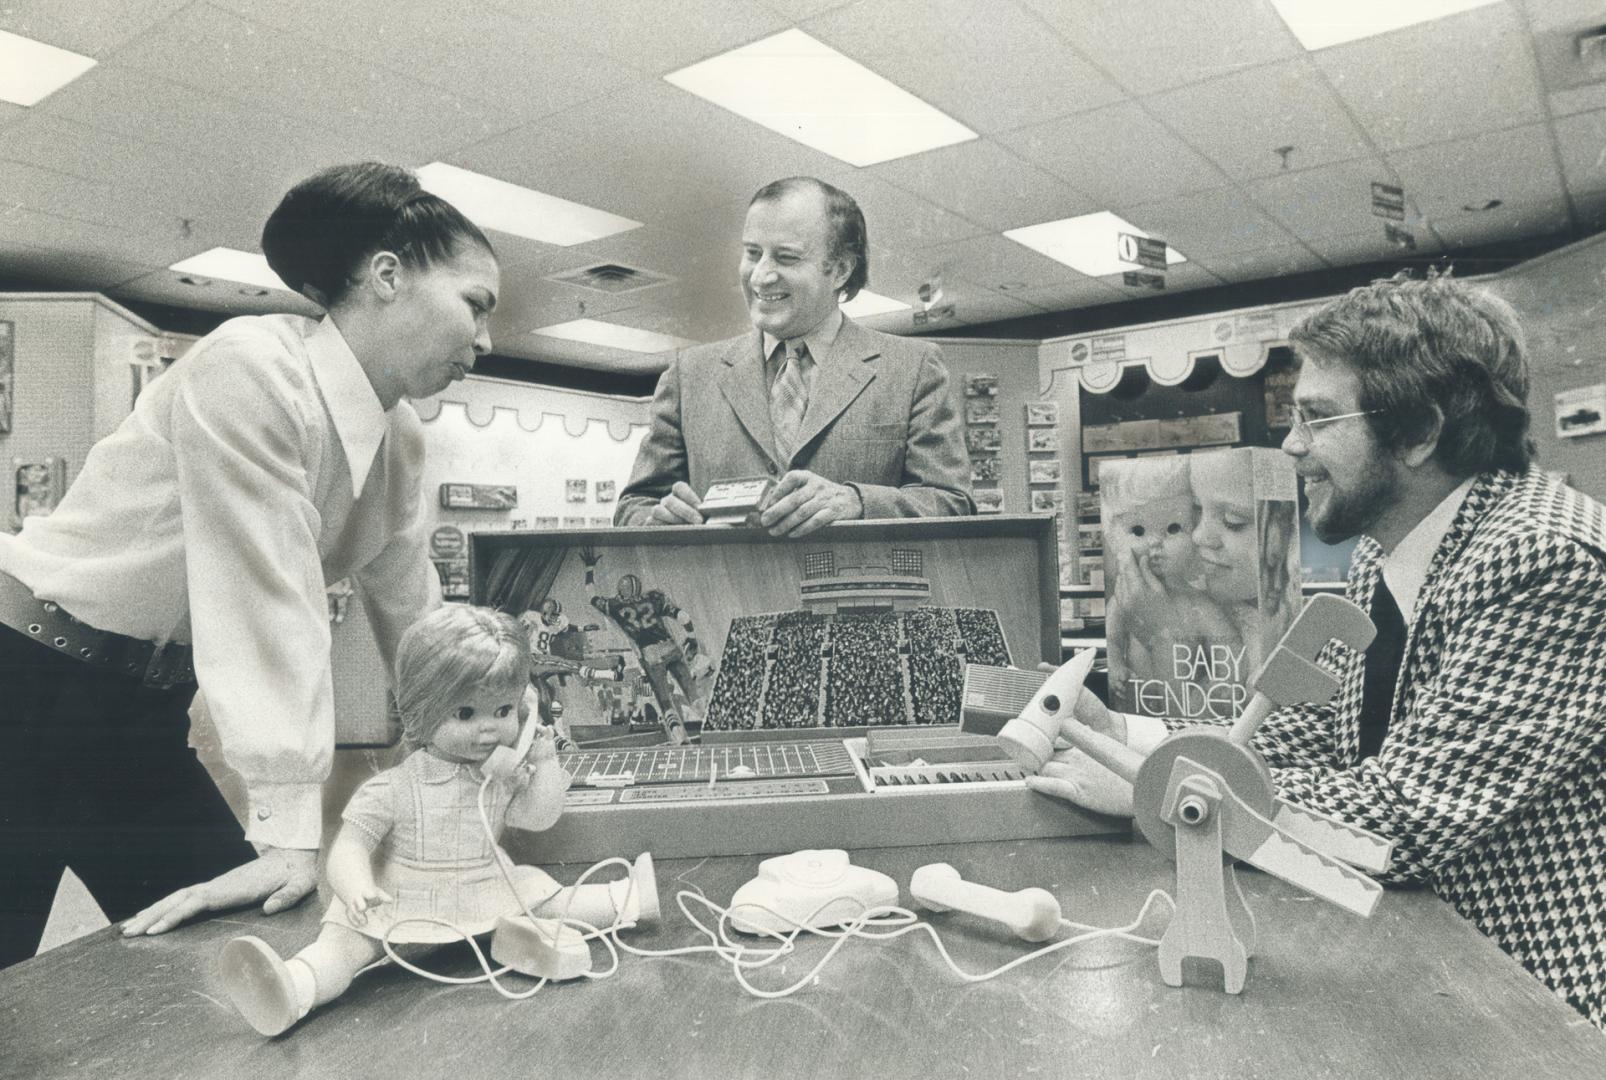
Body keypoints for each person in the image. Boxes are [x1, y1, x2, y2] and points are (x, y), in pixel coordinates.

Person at [1027, 272, 1606, 1028]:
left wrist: (1158, 787)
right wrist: (1133, 738)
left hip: (1529, 998)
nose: (1291, 445)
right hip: (1423, 956)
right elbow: (1315, 731)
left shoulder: (1547, 560)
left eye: (1317, 417)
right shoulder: (1385, 548)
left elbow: (1406, 816)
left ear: (1420, 430)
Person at [0, 162, 497, 968]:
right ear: (387, 275)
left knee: (242, 955)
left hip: (136, 713)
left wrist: (491, 724)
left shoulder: (400, 438)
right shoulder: (253, 365)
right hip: (19, 683)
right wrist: (291, 828)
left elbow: (418, 617)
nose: (485, 338)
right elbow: (267, 593)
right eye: (476, 304)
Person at [216, 605, 658, 1036]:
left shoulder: (497, 780)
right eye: (466, 713)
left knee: (553, 903)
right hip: (399, 895)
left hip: (486, 883)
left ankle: (628, 899)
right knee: (345, 949)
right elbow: (349, 847)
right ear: (420, 711)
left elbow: (539, 818)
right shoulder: (391, 788)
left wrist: (542, 757)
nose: (489, 730)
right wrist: (356, 888)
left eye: (503, 711)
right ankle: (294, 987)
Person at [613, 176, 973, 536]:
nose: (761, 276)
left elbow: (951, 502)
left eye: (786, 257)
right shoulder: (688, 375)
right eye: (753, 253)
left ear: (841, 270)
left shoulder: (912, 369)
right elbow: (633, 506)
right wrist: (657, 519)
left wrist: (858, 503)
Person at [579, 547, 706, 744]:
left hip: (650, 654)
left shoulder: (615, 606)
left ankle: (681, 740)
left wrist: (589, 568)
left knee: (665, 701)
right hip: (670, 646)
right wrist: (691, 636)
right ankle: (709, 725)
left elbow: (591, 596)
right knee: (691, 690)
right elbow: (683, 616)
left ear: (621, 591)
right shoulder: (653, 598)